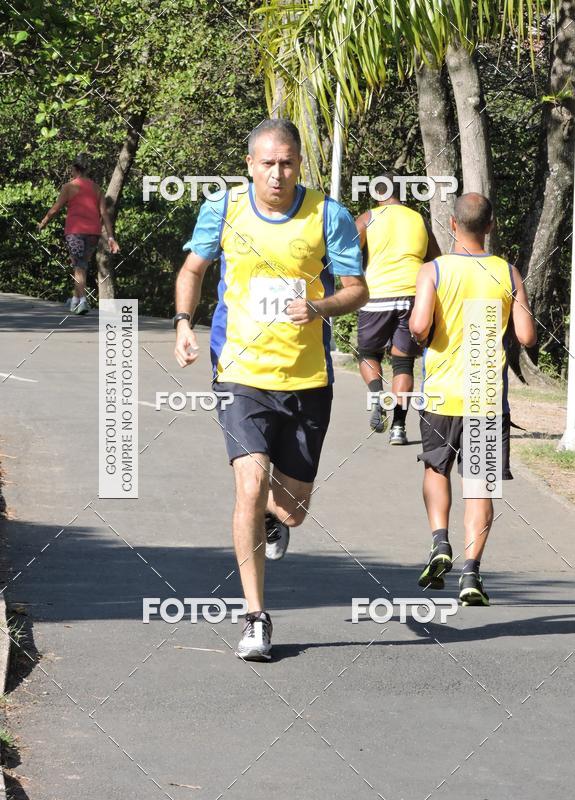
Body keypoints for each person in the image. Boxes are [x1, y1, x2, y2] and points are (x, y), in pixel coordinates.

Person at [173, 119, 367, 660]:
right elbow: (193, 268)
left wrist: (321, 307)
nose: (277, 173)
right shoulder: (224, 209)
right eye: (267, 163)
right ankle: (255, 618)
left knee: (293, 509)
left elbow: (357, 290)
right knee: (249, 486)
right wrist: (184, 322)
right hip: (241, 372)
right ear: (250, 166)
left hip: (308, 379)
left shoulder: (329, 216)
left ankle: (273, 522)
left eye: (287, 163)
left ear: (299, 164)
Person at [409, 193, 536, 606]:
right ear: (491, 225)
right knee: (479, 484)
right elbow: (527, 336)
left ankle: (440, 542)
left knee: (435, 468)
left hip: (442, 394)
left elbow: (420, 324)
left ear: (451, 224)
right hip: (485, 394)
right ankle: (471, 574)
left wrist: (420, 333)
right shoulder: (507, 272)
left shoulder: (434, 270)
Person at [355, 173, 440, 444]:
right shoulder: (418, 219)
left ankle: (378, 394)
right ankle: (399, 428)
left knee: (368, 353)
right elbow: (435, 260)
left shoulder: (367, 219)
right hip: (412, 296)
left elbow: (348, 255)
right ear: (400, 193)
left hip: (376, 296)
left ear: (377, 194)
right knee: (403, 362)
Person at [37, 153, 120, 313]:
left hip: (75, 232)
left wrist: (43, 223)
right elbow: (104, 214)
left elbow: (55, 209)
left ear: (75, 169)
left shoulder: (69, 187)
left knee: (79, 267)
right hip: (94, 233)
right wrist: (110, 237)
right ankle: (75, 299)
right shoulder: (97, 189)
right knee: (81, 266)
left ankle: (83, 301)